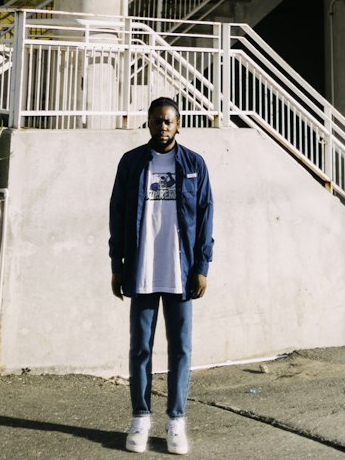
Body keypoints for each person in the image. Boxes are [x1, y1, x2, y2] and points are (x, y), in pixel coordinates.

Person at [109, 97, 214, 455]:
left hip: (181, 273)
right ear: (149, 123)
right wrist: (116, 265)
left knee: (180, 349)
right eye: (157, 121)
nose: (163, 126)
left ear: (178, 124)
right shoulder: (132, 163)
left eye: (168, 121)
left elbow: (205, 218)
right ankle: (140, 417)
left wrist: (202, 266)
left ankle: (176, 421)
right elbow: (118, 214)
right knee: (140, 348)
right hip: (142, 270)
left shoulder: (195, 165)